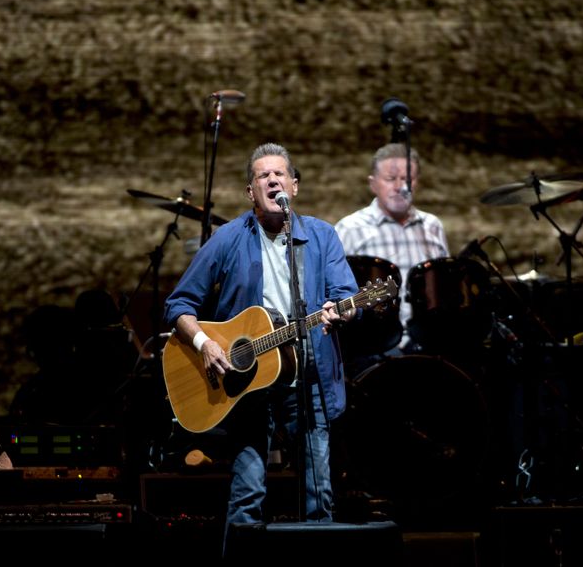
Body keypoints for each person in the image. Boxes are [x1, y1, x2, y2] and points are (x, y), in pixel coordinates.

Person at [163, 142, 359, 556]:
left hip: (307, 377)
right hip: (247, 386)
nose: (271, 180)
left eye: (279, 174)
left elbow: (346, 295)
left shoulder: (321, 236)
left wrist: (337, 311)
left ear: (295, 185)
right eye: (261, 176)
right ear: (251, 192)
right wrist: (204, 343)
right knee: (248, 494)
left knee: (319, 494)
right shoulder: (229, 238)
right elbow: (178, 305)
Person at [334, 142, 450, 359]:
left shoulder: (432, 226)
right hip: (373, 349)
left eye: (407, 179)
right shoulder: (349, 229)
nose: (400, 187)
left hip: (430, 346)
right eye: (390, 179)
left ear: (417, 183)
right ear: (373, 184)